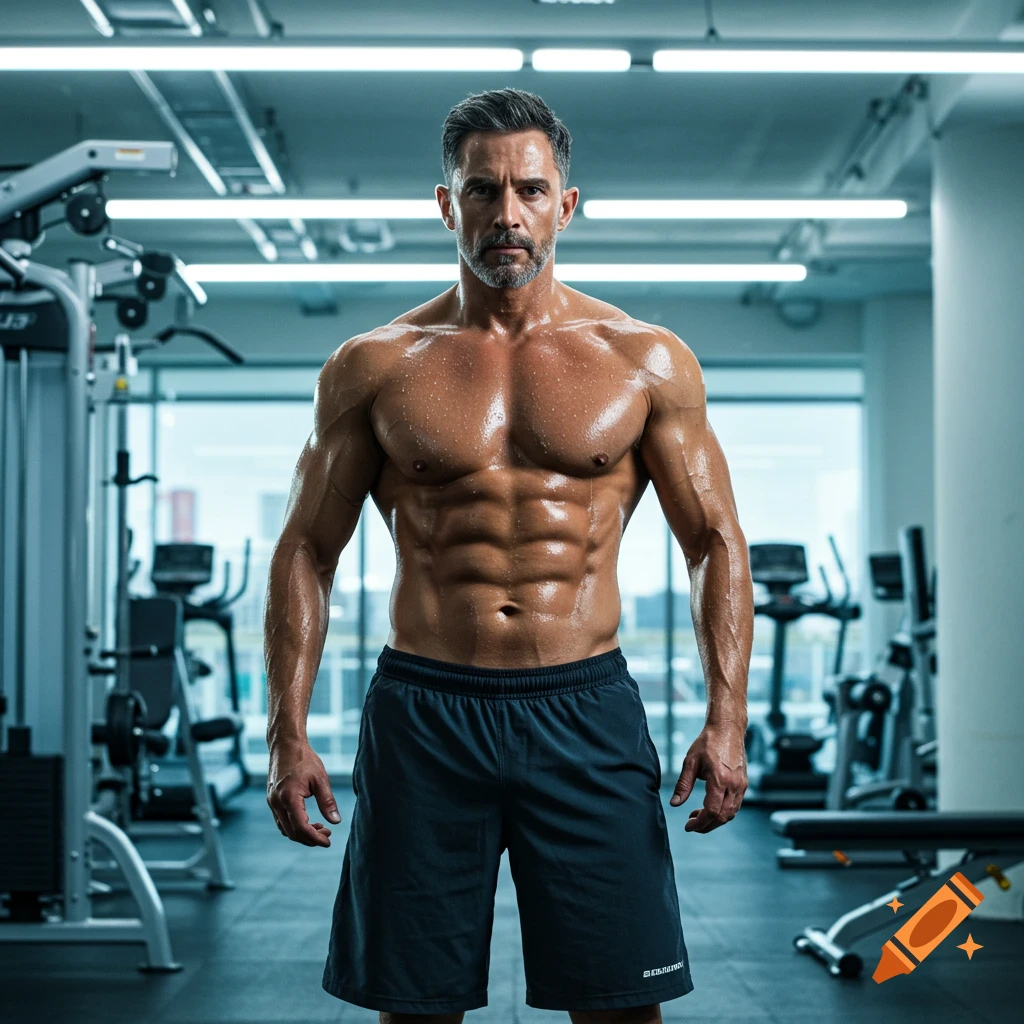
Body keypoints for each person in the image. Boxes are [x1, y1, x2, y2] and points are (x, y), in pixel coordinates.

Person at [264, 88, 754, 1024]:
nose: (507, 214)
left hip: (585, 709)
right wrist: (288, 731)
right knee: (415, 1004)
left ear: (565, 204)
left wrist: (726, 719)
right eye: (481, 190)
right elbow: (305, 550)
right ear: (447, 204)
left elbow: (716, 544)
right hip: (424, 709)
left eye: (530, 189)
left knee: (620, 1002)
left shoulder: (644, 360)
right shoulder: (375, 366)